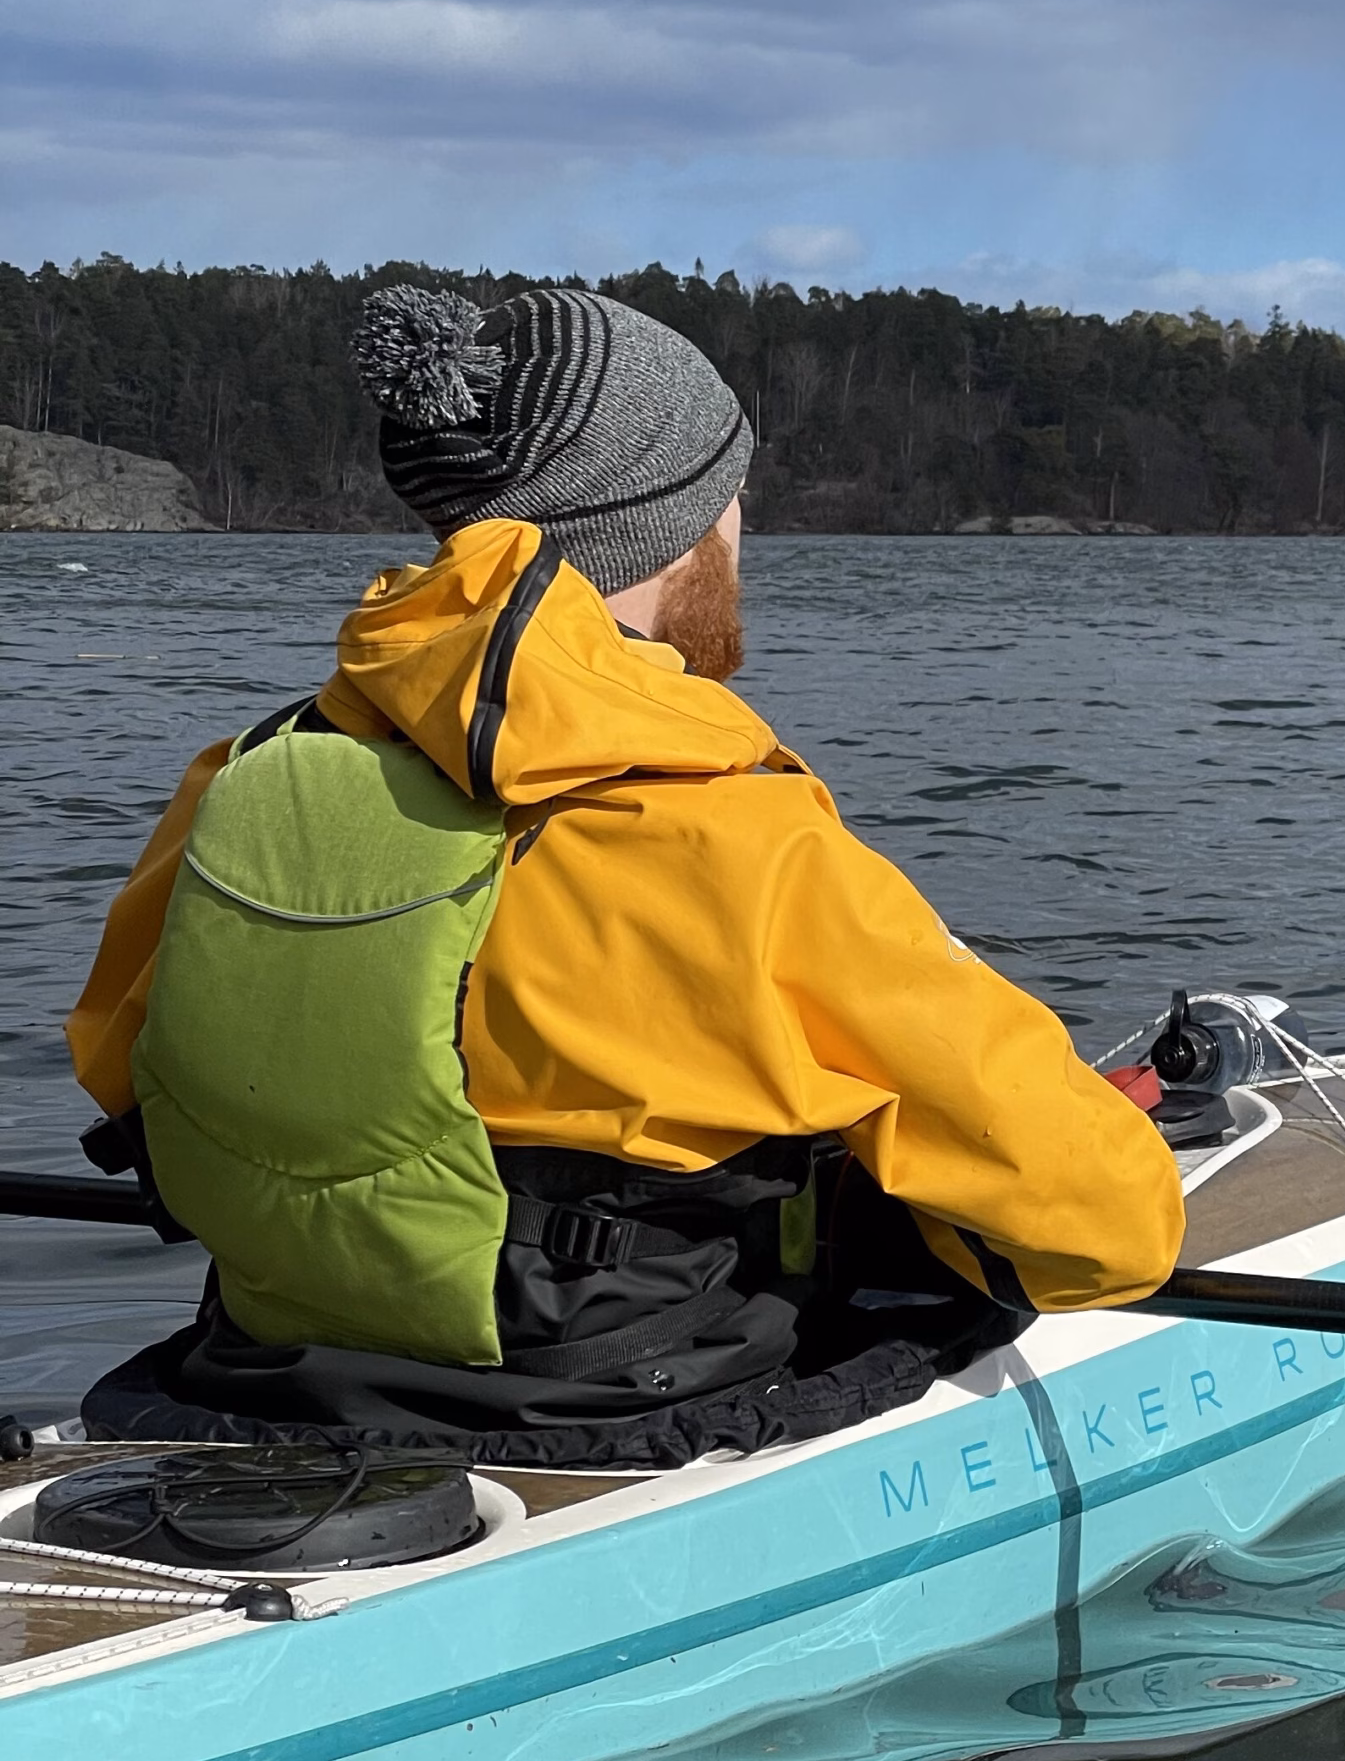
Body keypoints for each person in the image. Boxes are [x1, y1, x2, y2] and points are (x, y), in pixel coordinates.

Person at [64, 283, 1185, 1464]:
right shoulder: (741, 837)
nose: (743, 525)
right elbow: (1108, 1235)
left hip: (266, 1364)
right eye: (730, 497)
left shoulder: (247, 776)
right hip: (625, 1403)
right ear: (674, 528)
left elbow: (116, 1068)